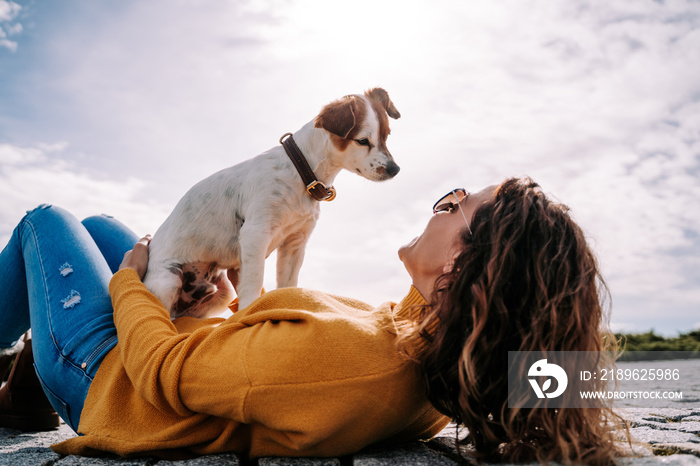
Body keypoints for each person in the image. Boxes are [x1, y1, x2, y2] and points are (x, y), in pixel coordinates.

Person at [0, 177, 629, 464]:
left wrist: (130, 287)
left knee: (49, 223)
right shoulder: (433, 349)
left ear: (463, 263)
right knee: (112, 231)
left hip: (112, 383)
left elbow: (164, 371)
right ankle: (19, 401)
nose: (442, 203)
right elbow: (253, 364)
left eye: (458, 203)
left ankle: (35, 385)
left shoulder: (348, 366)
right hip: (174, 356)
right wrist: (216, 308)